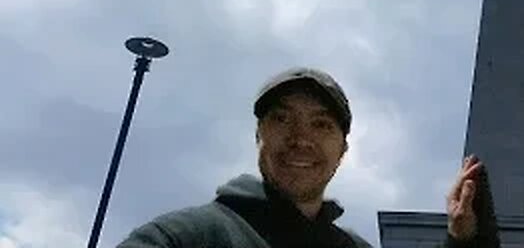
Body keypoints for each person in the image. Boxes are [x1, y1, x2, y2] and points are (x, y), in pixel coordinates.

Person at [117, 67, 498, 248]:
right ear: (258, 134)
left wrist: (463, 238)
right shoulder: (184, 238)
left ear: (343, 150)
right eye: (282, 119)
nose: (301, 139)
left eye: (321, 125)